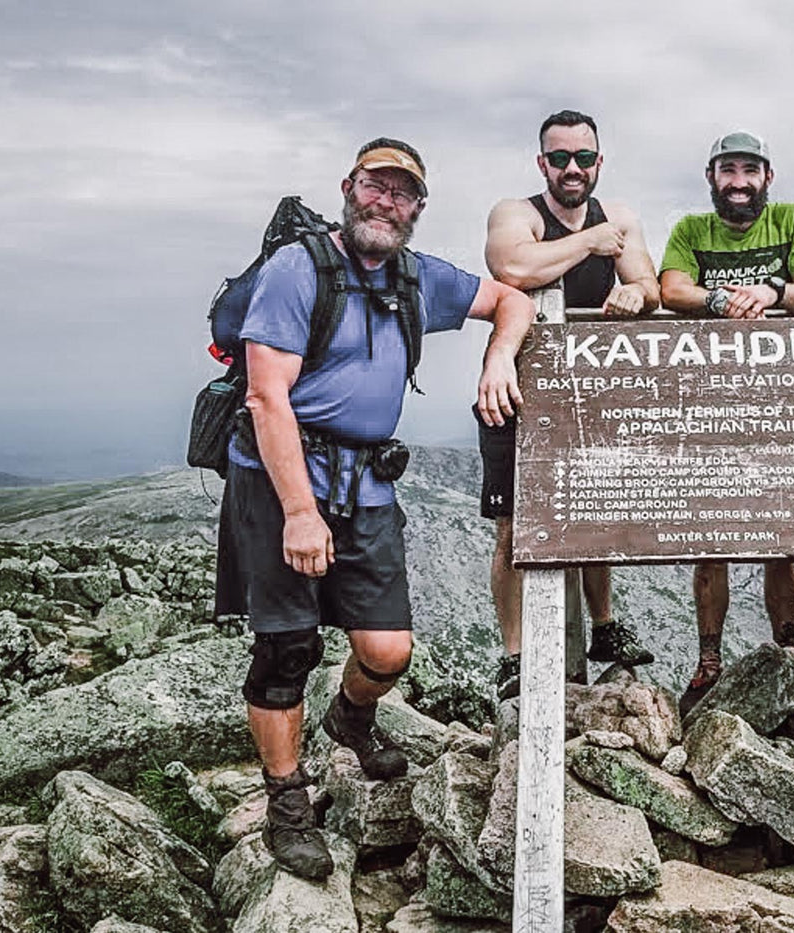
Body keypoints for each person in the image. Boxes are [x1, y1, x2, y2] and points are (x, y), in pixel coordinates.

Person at [216, 137, 534, 880]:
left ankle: (350, 716)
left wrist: (497, 358)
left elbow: (510, 299)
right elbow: (266, 396)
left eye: (402, 193)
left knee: (388, 649)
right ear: (348, 187)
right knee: (287, 648)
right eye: (375, 186)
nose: (386, 202)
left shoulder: (416, 277)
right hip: (280, 481)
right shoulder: (298, 269)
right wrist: (300, 512)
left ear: (417, 208)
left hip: (365, 486)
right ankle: (287, 802)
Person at [481, 109, 661, 698]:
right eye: (560, 158)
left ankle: (603, 625)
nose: (572, 169)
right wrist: (591, 243)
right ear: (543, 163)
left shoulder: (619, 218)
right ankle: (515, 653)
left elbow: (649, 285)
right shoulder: (518, 213)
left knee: (595, 509)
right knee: (513, 526)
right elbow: (512, 266)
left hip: (589, 392)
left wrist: (635, 294)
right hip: (517, 388)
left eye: (583, 158)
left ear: (598, 161)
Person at [657, 131, 794, 714]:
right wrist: (720, 301)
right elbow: (672, 289)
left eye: (749, 170)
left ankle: (786, 653)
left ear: (767, 177)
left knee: (780, 540)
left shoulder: (792, 219)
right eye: (727, 170)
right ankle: (709, 661)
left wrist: (768, 291)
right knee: (710, 538)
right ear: (712, 177)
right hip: (708, 401)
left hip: (781, 400)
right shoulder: (690, 230)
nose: (738, 182)